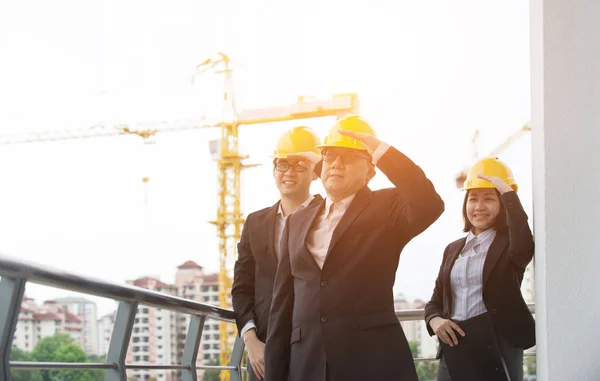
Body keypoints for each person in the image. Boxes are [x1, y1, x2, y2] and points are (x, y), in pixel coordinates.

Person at [264, 115, 444, 381]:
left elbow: (429, 204)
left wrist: (382, 151)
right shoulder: (296, 222)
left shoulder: (387, 207)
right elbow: (281, 307)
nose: (336, 164)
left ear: (370, 170)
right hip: (307, 365)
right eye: (329, 155)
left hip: (370, 362)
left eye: (348, 156)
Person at [424, 157, 535, 381]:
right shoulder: (452, 249)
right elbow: (435, 301)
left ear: (502, 204)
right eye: (473, 199)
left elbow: (524, 246)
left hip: (499, 343)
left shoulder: (510, 245)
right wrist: (434, 320)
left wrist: (506, 191)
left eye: (489, 199)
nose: (479, 207)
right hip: (455, 345)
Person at [231, 126, 323, 380]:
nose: (289, 172)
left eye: (300, 165)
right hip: (265, 351)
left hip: (316, 348)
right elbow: (242, 286)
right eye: (282, 164)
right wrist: (250, 339)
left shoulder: (330, 215)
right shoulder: (255, 223)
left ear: (316, 172)